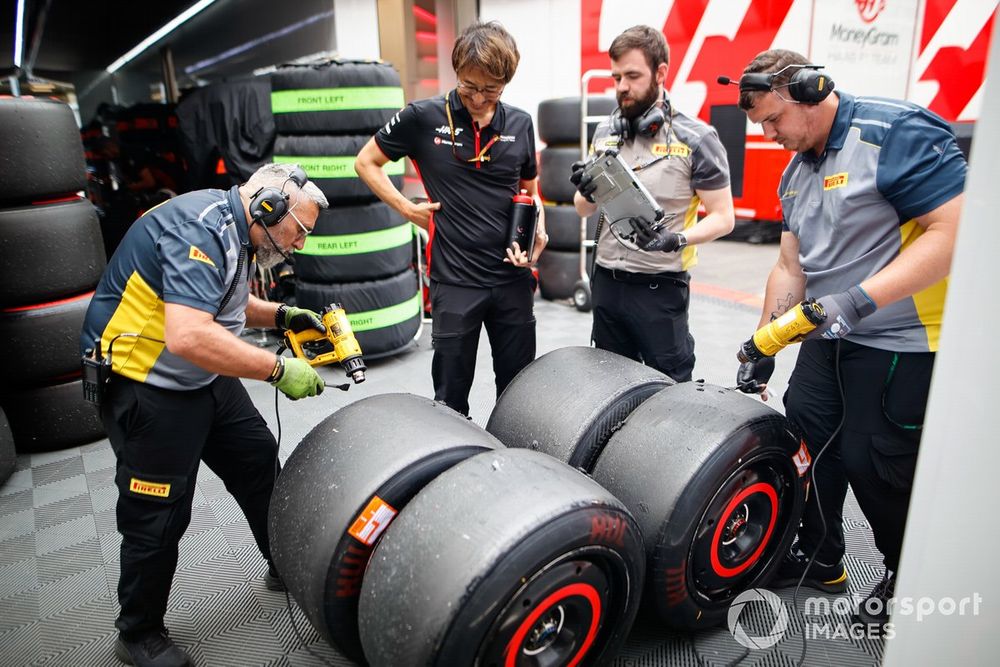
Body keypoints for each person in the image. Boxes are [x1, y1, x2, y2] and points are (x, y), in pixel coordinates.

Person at [733, 49, 966, 629]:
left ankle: (909, 578)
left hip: (901, 338)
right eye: (758, 124)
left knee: (877, 463)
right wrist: (766, 344)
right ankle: (821, 556)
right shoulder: (793, 172)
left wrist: (860, 299)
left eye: (773, 120)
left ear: (811, 93)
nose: (768, 134)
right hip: (826, 335)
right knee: (806, 442)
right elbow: (791, 267)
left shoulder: (896, 134)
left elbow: (955, 231)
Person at [80, 163, 330, 667]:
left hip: (199, 373)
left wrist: (282, 315)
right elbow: (190, 334)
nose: (300, 243)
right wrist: (278, 370)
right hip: (145, 381)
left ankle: (282, 562)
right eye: (299, 230)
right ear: (269, 208)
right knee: (160, 516)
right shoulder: (198, 229)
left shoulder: (236, 233)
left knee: (257, 458)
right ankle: (138, 633)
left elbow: (226, 304)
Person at [355, 21, 547, 417]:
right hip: (454, 280)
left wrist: (538, 226)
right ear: (457, 72)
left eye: (489, 89)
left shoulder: (521, 124)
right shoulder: (421, 118)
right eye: (468, 85)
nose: (478, 98)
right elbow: (366, 162)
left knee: (518, 389)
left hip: (512, 279)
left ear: (505, 82)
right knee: (450, 395)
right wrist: (407, 209)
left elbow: (530, 188)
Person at [571, 25, 734, 382]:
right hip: (608, 284)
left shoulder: (697, 139)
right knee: (609, 390)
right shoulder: (605, 133)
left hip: (660, 290)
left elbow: (724, 218)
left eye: (632, 75)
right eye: (616, 77)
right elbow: (583, 209)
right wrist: (585, 190)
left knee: (669, 391)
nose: (621, 87)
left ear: (661, 72)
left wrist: (677, 239)